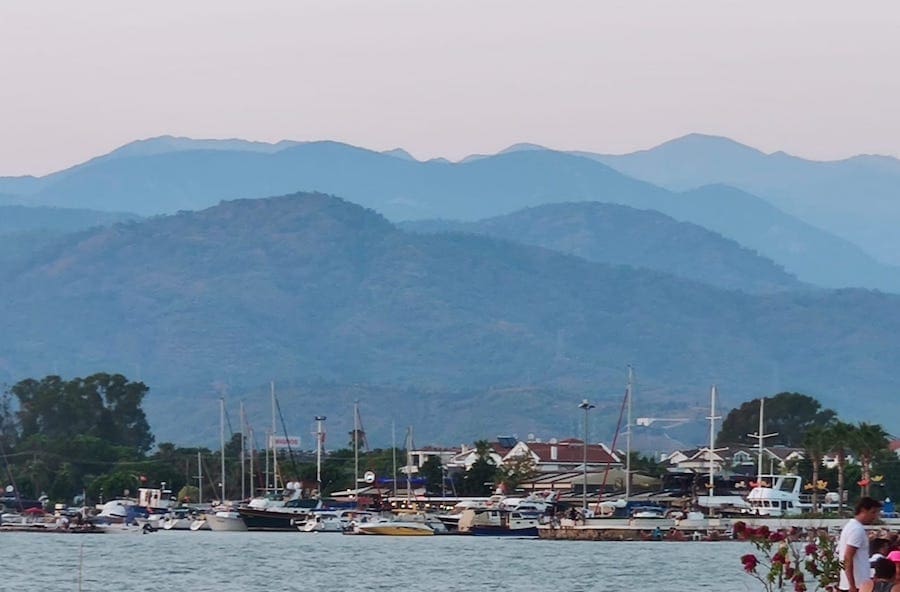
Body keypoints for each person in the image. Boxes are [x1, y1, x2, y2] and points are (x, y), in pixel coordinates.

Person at [840, 497, 883, 592]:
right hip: (858, 584)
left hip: (855, 583)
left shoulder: (851, 526)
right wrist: (852, 585)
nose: (875, 516)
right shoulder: (856, 530)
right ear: (863, 510)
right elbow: (848, 557)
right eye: (873, 512)